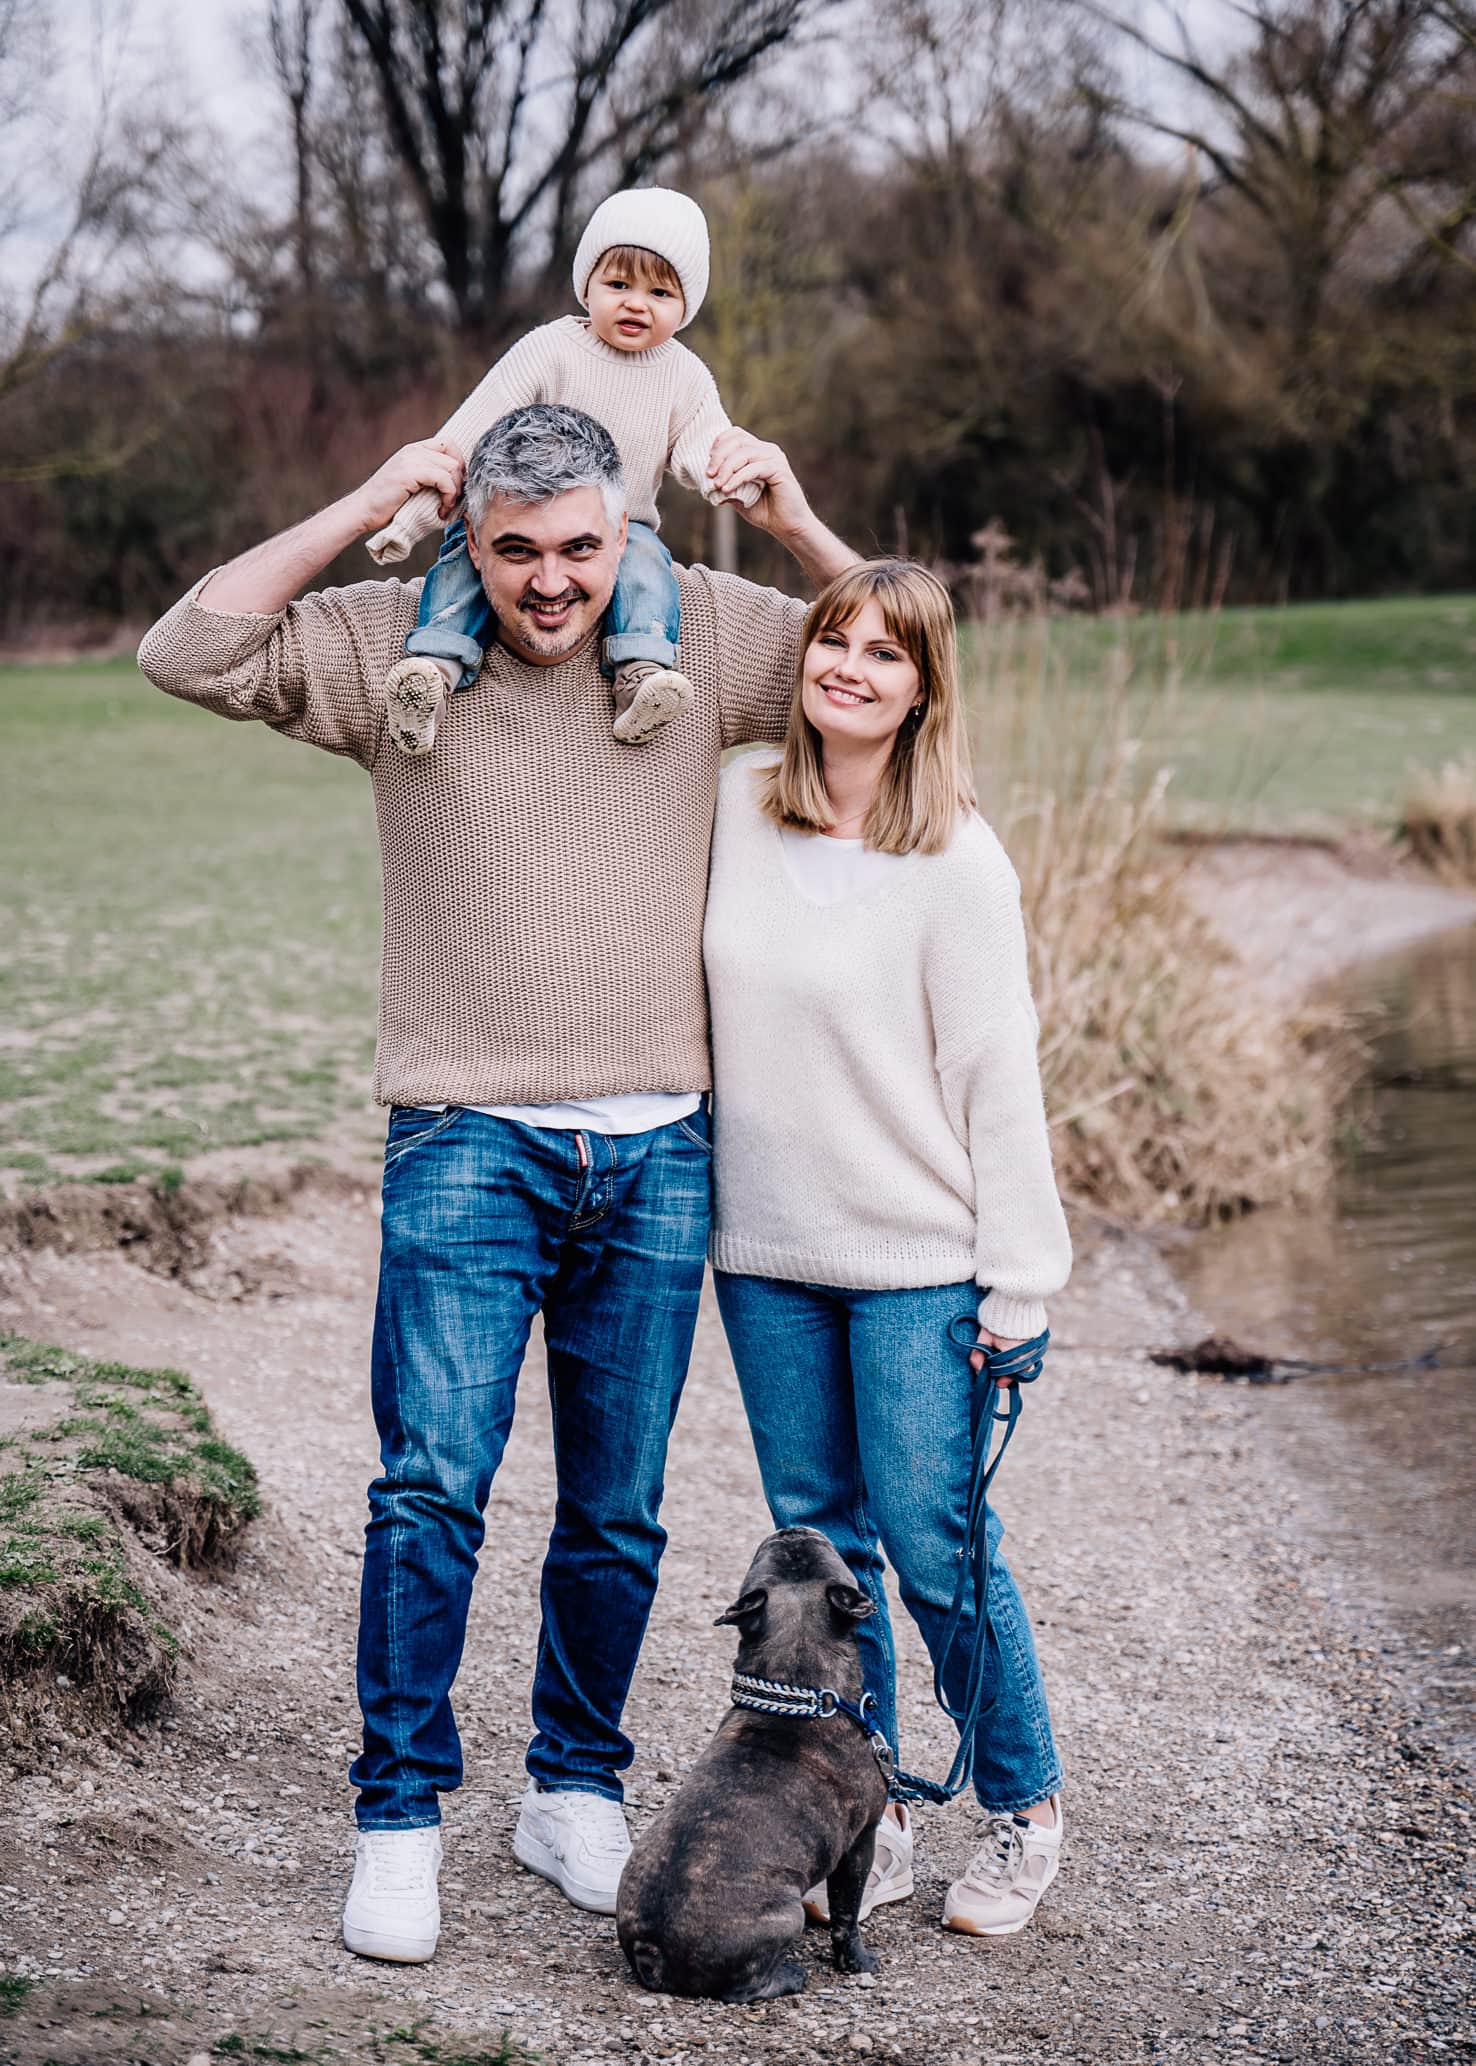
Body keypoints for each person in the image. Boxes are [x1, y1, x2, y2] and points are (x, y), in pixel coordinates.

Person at [136, 402, 857, 1965]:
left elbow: (903, 668)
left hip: (661, 1141)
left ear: (630, 536)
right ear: (471, 536)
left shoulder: (703, 636)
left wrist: (797, 521)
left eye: (584, 549)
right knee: (431, 1485)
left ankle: (570, 1790)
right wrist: (372, 497)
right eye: (516, 549)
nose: (551, 583)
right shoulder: (394, 643)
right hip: (467, 1133)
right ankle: (396, 1815)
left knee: (616, 1508)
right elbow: (183, 651)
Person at [703, 559, 1073, 1940]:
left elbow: (996, 1075)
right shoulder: (738, 805)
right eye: (832, 641)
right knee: (822, 1556)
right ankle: (876, 1812)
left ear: (925, 690)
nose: (850, 666)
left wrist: (1019, 1278)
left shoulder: (958, 861)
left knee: (937, 1546)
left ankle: (1026, 1808)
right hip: (767, 1253)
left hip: (918, 1259)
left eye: (886, 653)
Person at [365, 185, 761, 759]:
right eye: (618, 284)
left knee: (649, 570)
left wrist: (737, 478)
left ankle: (640, 675)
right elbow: (465, 437)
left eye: (660, 292)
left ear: (686, 305)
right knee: (463, 563)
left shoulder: (685, 376)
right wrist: (410, 519)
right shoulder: (549, 350)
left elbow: (709, 446)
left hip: (622, 529)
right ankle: (432, 672)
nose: (636, 304)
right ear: (587, 285)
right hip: (517, 516)